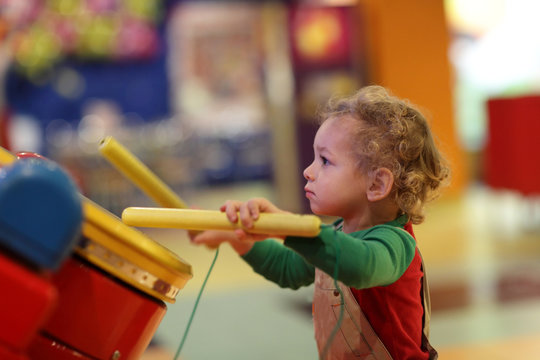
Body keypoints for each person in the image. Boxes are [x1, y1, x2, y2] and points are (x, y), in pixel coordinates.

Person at [190, 85, 449, 360]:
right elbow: (286, 268)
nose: (308, 171)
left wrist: (288, 226)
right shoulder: (336, 235)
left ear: (377, 183)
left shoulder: (395, 244)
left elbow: (361, 266)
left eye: (325, 161)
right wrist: (236, 236)